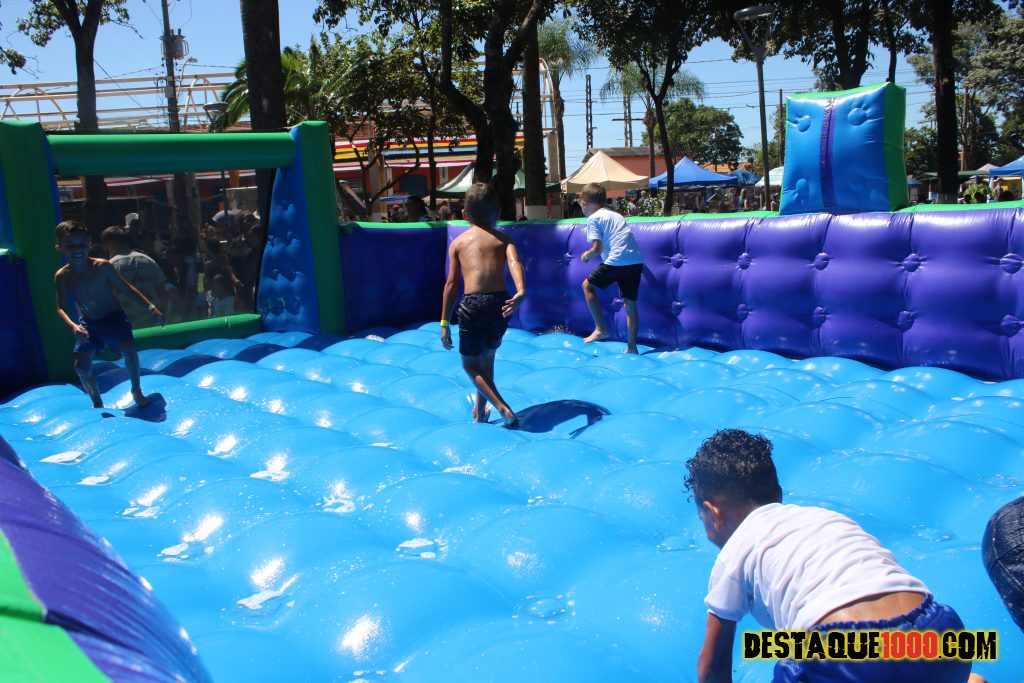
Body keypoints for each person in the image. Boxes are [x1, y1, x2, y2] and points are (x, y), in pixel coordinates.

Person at [686, 429, 974, 683]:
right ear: (779, 494)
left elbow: (711, 670)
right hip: (940, 633)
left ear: (713, 513)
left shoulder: (735, 551)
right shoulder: (824, 518)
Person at [440, 182, 526, 428]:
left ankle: (503, 408)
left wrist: (444, 322)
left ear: (464, 213)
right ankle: (479, 411)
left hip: (473, 305)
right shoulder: (503, 239)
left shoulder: (458, 243)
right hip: (500, 303)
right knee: (487, 360)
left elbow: (451, 284)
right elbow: (515, 263)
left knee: (470, 364)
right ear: (497, 213)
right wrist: (521, 290)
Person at [54, 220, 164, 409]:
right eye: (70, 246)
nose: (77, 249)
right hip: (89, 324)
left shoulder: (102, 266)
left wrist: (151, 308)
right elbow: (61, 307)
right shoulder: (63, 276)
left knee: (129, 350)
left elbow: (126, 289)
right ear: (59, 248)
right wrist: (73, 326)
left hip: (114, 318)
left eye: (81, 244)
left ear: (89, 243)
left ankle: (136, 390)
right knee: (81, 366)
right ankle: (96, 400)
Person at [578, 182, 644, 354]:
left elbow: (597, 248)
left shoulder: (593, 218)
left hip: (616, 260)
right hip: (636, 261)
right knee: (630, 306)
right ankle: (632, 347)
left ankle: (600, 328)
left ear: (584, 202)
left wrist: (586, 255)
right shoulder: (617, 215)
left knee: (587, 286)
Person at [100, 226, 168, 328]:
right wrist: (162, 313)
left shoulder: (109, 267)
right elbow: (162, 292)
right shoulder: (148, 260)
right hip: (152, 320)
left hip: (127, 324)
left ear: (109, 244)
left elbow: (105, 302)